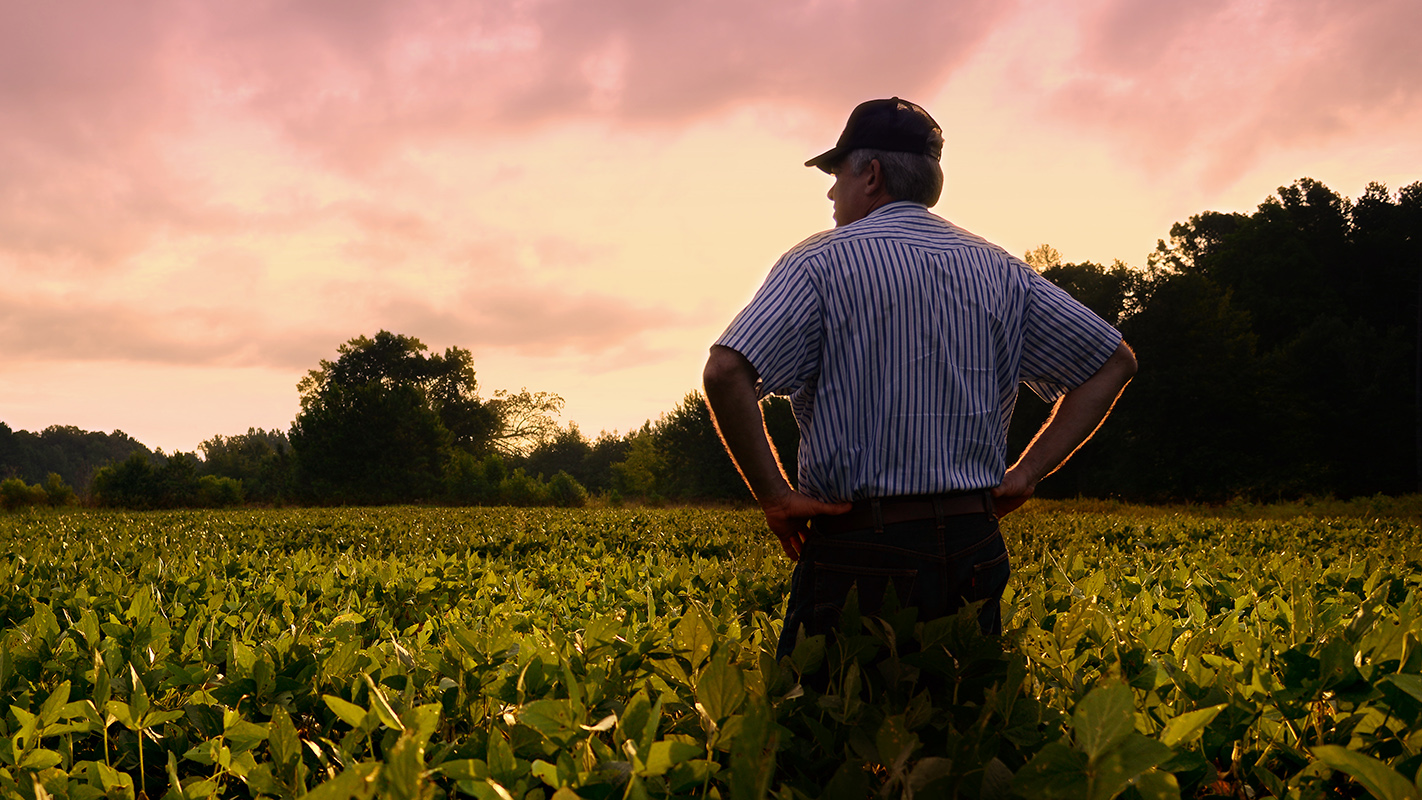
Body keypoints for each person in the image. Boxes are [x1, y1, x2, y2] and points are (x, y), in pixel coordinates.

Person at [702, 97, 1137, 659]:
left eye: (836, 177)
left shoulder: (820, 263)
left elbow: (727, 368)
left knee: (824, 732)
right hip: (972, 542)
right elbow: (1114, 361)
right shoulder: (999, 267)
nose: (832, 194)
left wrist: (776, 497)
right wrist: (1026, 473)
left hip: (859, 548)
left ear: (872, 175)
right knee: (962, 731)